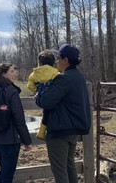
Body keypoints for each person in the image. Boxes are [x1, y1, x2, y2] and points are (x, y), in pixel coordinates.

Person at [35, 44, 91, 183]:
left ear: (65, 60)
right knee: (69, 165)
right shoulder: (78, 76)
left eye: (58, 58)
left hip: (60, 130)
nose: (56, 61)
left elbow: (47, 102)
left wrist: (38, 96)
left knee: (59, 169)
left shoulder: (64, 78)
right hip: (73, 129)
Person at [0, 62, 32, 183]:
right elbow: (19, 119)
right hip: (9, 140)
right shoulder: (11, 91)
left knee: (4, 172)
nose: (15, 73)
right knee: (7, 175)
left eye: (15, 70)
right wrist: (27, 141)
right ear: (3, 74)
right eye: (12, 71)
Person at [27, 49, 59, 140]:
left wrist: (36, 89)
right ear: (53, 62)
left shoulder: (34, 74)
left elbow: (30, 86)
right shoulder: (56, 72)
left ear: (39, 62)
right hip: (53, 97)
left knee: (45, 113)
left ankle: (41, 132)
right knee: (49, 113)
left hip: (42, 96)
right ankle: (42, 132)